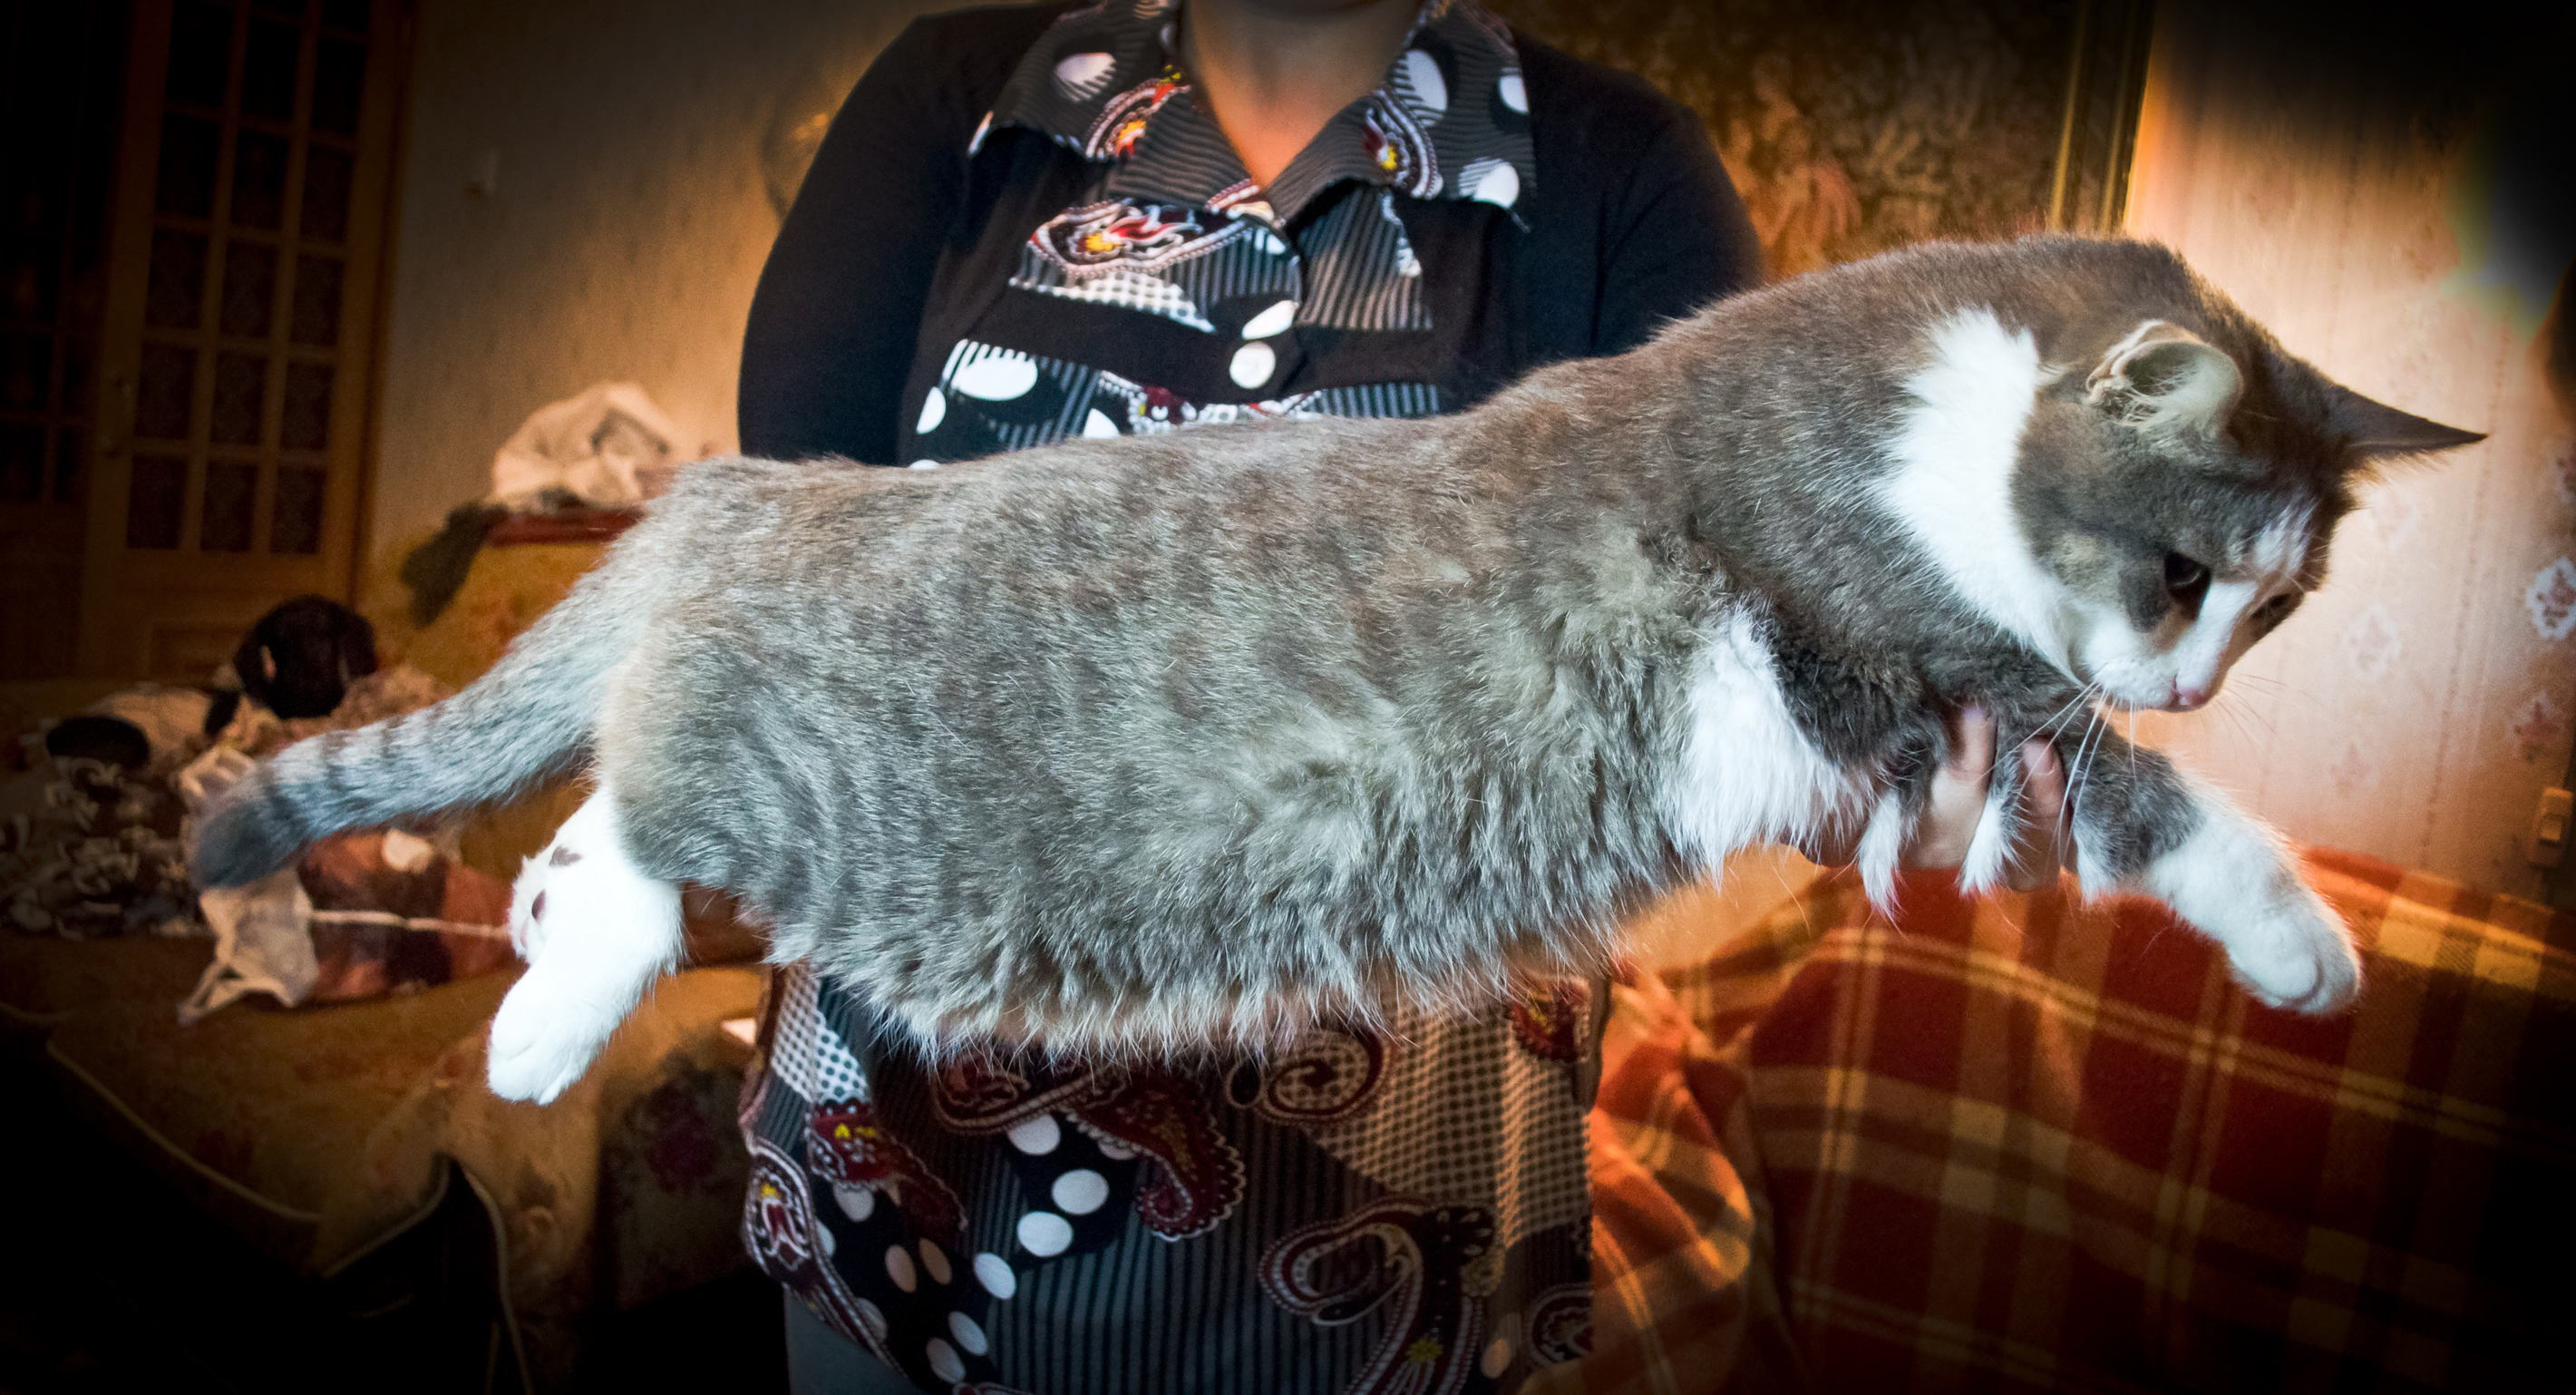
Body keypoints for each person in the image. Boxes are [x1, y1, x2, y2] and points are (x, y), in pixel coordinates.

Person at [731, 3, 2066, 1390]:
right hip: (891, 1205)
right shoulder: (960, 94)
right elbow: (785, 590)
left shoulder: (1618, 176)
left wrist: (1865, 788)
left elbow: (1727, 670)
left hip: (1377, 1272)